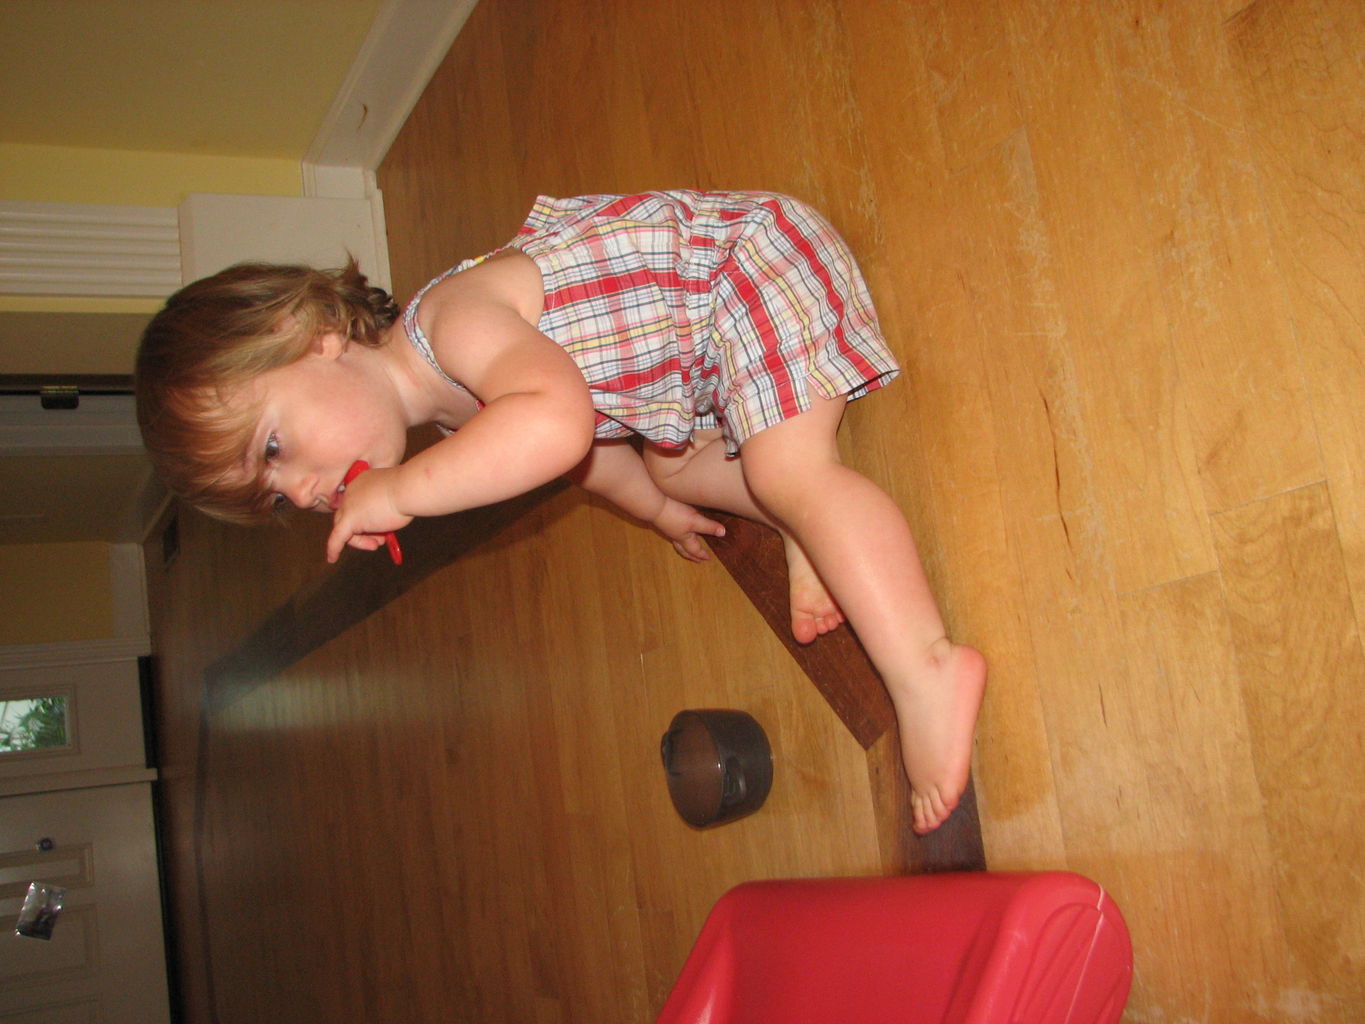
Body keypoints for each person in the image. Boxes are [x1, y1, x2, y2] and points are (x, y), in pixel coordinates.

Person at [136, 190, 986, 834]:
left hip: (750, 269)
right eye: (271, 496)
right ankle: (801, 519)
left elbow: (555, 425)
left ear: (310, 332)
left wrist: (400, 492)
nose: (297, 492)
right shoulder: (439, 399)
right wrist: (655, 509)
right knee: (682, 470)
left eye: (275, 450)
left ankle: (927, 669)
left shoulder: (450, 321)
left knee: (786, 466)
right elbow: (588, 453)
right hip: (698, 353)